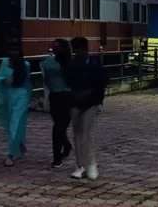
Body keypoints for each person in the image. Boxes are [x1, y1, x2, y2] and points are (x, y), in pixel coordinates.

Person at [66, 36, 108, 180]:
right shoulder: (72, 65)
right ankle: (80, 165)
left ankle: (90, 163)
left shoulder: (95, 64)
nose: (76, 52)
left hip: (91, 103)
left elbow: (101, 83)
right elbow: (69, 82)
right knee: (77, 135)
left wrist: (94, 97)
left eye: (78, 49)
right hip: (76, 103)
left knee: (86, 134)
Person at [0, 49, 32, 166]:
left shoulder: (25, 66)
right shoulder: (7, 68)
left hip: (20, 98)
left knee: (14, 125)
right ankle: (19, 145)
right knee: (9, 123)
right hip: (9, 98)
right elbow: (0, 79)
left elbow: (27, 82)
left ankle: (11, 154)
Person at [41, 38, 74, 168]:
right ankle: (64, 148)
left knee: (58, 126)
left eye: (55, 48)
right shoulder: (70, 63)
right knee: (60, 126)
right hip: (64, 95)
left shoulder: (48, 63)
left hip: (58, 96)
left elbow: (46, 79)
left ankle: (58, 155)